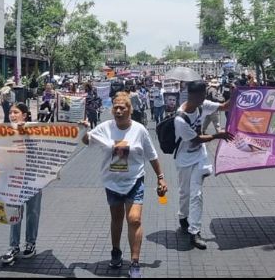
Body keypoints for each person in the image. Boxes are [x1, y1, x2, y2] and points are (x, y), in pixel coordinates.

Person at [81, 92, 167, 279]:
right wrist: (84, 130)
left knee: (134, 219)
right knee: (117, 219)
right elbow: (87, 140)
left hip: (134, 180)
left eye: (123, 108)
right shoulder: (105, 127)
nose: (118, 111)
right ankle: (116, 252)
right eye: (116, 107)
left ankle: (135, 262)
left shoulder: (140, 130)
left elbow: (152, 155)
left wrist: (160, 177)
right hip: (112, 182)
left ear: (130, 109)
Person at [174, 81, 234, 250]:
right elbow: (195, 139)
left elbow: (223, 107)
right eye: (202, 96)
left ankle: (195, 231)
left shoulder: (203, 104)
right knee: (184, 193)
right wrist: (217, 136)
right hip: (184, 159)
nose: (204, 99)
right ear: (194, 96)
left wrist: (235, 93)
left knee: (196, 194)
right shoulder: (180, 119)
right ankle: (183, 217)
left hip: (199, 157)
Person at [2, 103, 42, 265]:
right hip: (14, 178)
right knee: (14, 212)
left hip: (33, 177)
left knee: (32, 212)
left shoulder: (35, 129)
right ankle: (13, 246)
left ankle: (30, 244)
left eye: (16, 112)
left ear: (24, 115)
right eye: (11, 112)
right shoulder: (5, 131)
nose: (12, 115)